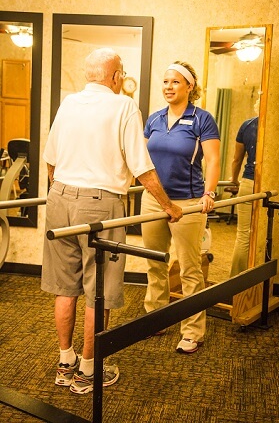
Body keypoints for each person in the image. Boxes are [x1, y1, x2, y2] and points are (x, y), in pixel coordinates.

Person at [41, 48, 182, 395]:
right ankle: (89, 369)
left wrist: (63, 195)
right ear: (116, 76)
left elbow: (50, 162)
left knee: (65, 287)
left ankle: (65, 361)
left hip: (59, 197)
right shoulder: (124, 106)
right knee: (98, 290)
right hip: (100, 204)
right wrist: (169, 207)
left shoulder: (69, 104)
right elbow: (142, 167)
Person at [141, 61, 220, 354]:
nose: (168, 87)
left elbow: (212, 159)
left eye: (175, 82)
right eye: (165, 82)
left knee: (189, 269)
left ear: (189, 86)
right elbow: (143, 158)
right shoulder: (154, 119)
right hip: (153, 200)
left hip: (186, 203)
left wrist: (208, 193)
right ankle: (157, 317)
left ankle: (193, 331)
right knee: (154, 262)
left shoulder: (202, 119)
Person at [229, 114, 258, 277]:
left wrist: (234, 180)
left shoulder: (247, 125)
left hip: (248, 182)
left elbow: (237, 159)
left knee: (243, 234)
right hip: (268, 183)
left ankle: (235, 282)